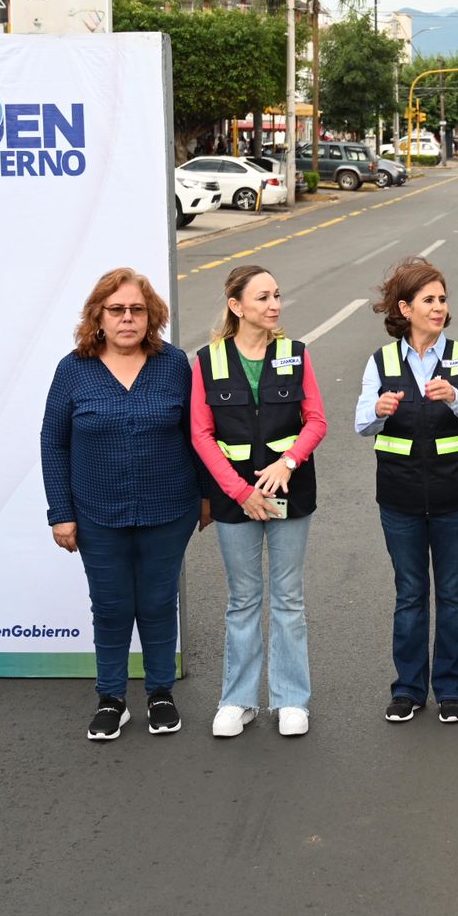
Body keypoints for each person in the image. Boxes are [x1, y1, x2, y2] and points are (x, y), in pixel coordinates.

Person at [41, 268, 202, 741]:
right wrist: (61, 512)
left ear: (151, 316)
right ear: (99, 317)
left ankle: (159, 695)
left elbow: (198, 435)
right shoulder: (73, 369)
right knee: (110, 606)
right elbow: (54, 443)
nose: (128, 318)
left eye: (137, 309)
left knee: (157, 602)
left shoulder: (174, 365)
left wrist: (208, 498)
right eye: (117, 310)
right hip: (96, 512)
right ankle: (111, 698)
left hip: (170, 508)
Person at [191, 265, 327, 738]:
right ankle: (238, 700)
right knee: (243, 599)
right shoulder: (207, 361)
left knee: (288, 598)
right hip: (235, 502)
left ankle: (291, 700)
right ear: (236, 306)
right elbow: (201, 434)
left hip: (289, 491)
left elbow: (316, 421)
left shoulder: (296, 354)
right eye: (263, 297)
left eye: (277, 295)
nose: (274, 305)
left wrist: (286, 463)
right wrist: (241, 492)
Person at [357, 258, 458, 724]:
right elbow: (362, 425)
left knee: (453, 594)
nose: (439, 308)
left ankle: (452, 691)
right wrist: (378, 408)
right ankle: (408, 690)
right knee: (410, 594)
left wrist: (457, 399)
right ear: (405, 308)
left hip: (456, 498)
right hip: (400, 500)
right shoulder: (382, 362)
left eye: (442, 299)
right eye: (428, 300)